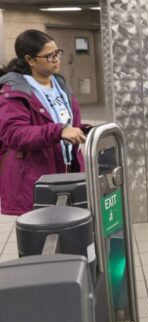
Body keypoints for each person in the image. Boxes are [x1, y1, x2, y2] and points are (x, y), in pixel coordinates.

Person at [0, 29, 88, 215]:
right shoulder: (14, 92)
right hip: (35, 177)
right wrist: (59, 131)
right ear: (30, 60)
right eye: (49, 56)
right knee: (44, 238)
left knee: (70, 233)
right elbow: (14, 134)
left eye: (58, 53)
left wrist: (83, 130)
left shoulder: (60, 84)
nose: (57, 59)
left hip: (66, 169)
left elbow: (65, 122)